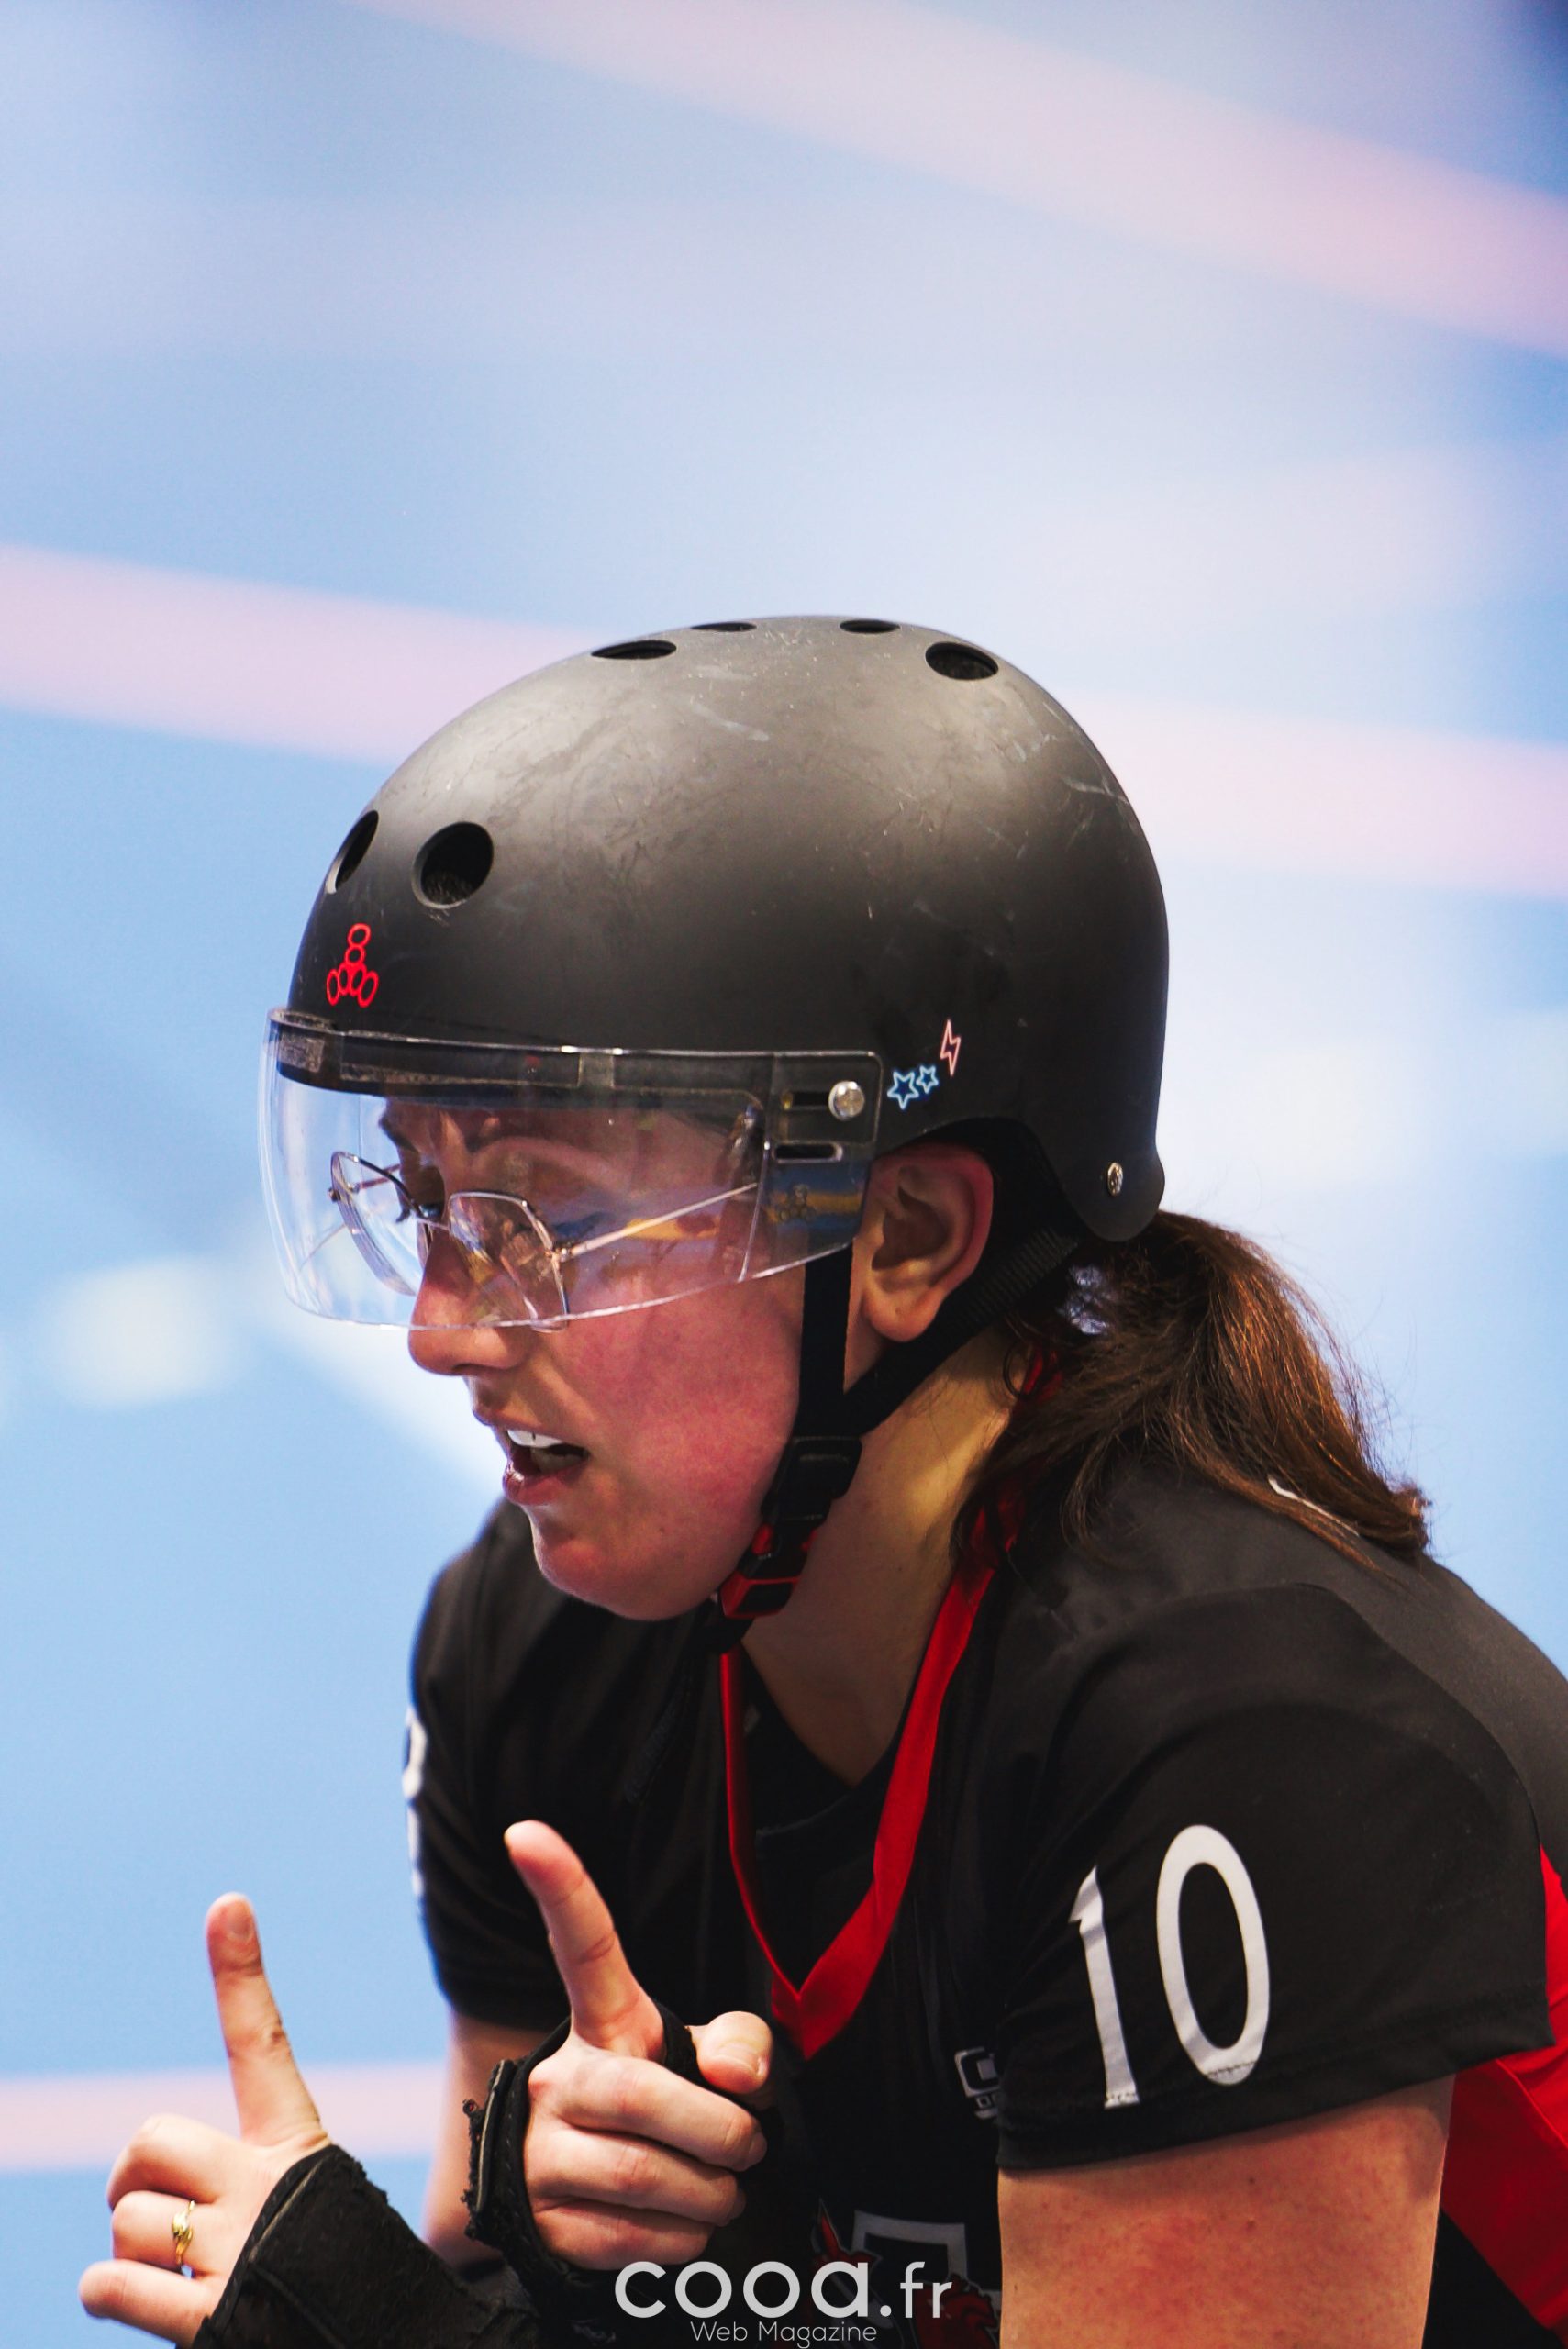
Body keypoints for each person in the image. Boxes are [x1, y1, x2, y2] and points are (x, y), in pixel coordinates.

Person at [81, 618, 1568, 2349]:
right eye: (421, 1199)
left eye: (551, 1217)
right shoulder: (541, 1644)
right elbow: (538, 2293)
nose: (439, 1328)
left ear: (907, 1237)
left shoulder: (1242, 1749)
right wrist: (602, 2268)